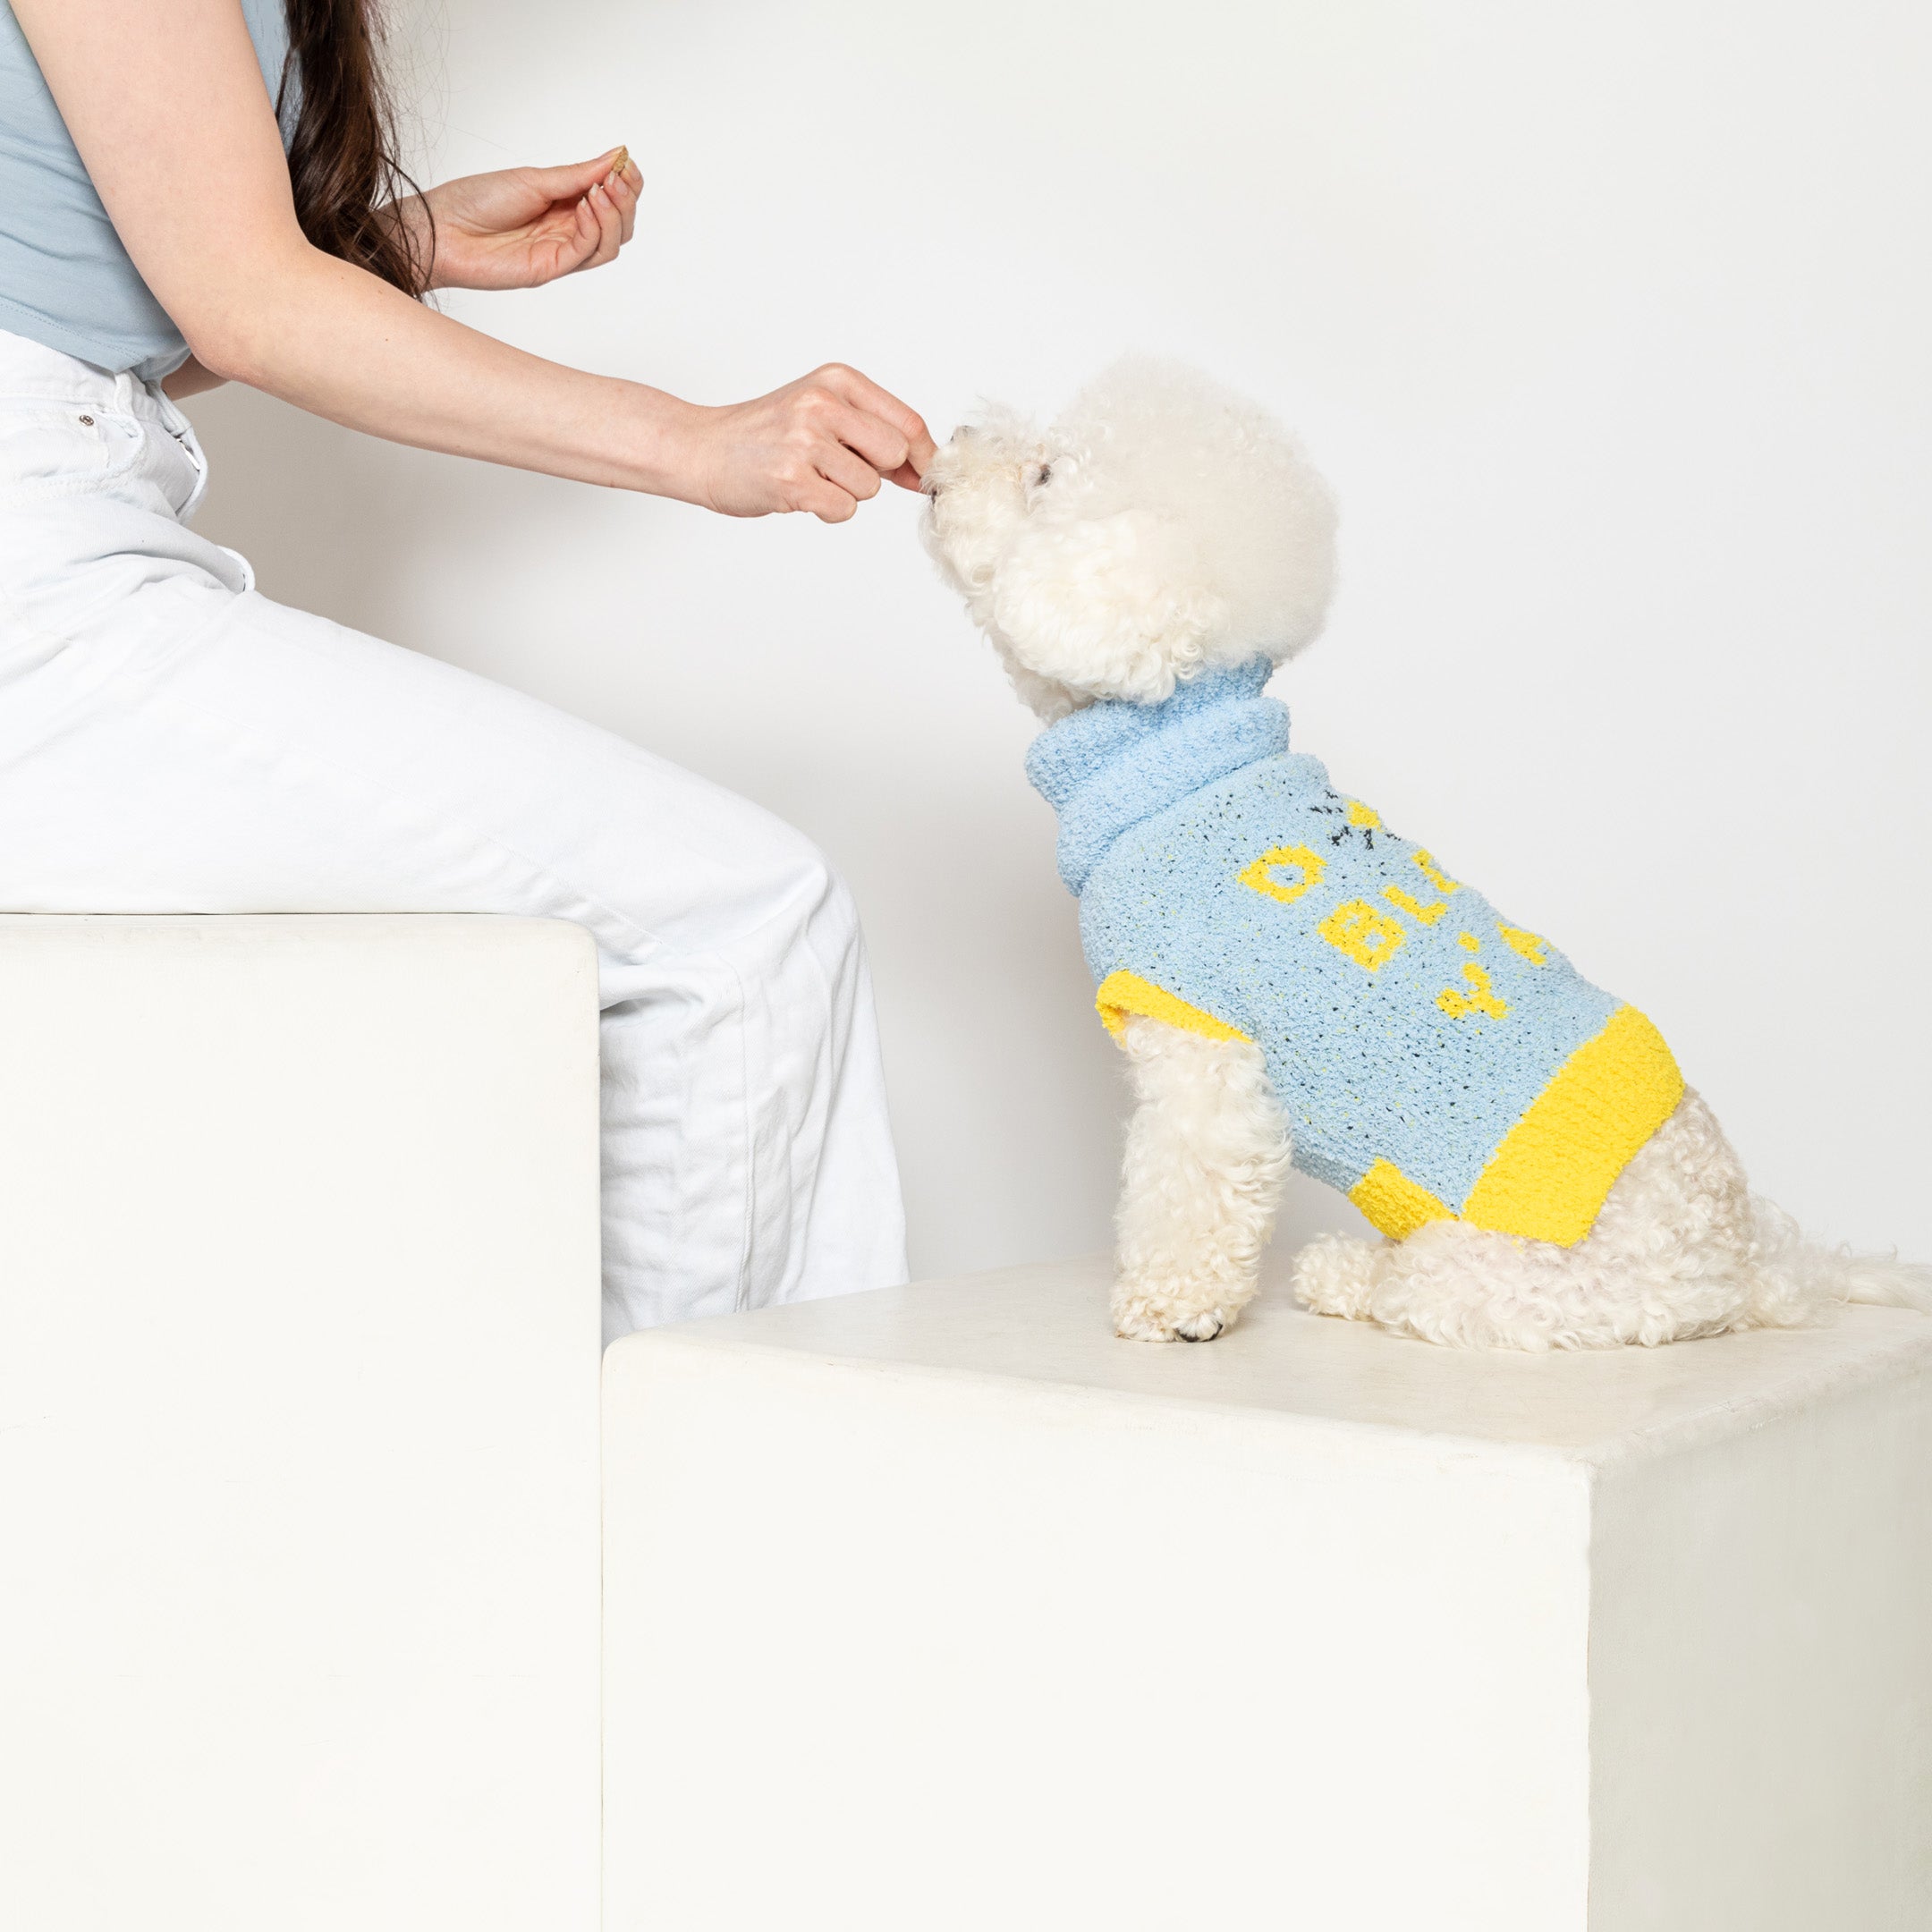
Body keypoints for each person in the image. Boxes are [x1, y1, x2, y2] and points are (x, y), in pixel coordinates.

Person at [0, 0, 928, 1343]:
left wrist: (398, 248)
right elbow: (251, 307)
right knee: (737, 927)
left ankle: (710, 1497)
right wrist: (697, 446)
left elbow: (111, 299)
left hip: (62, 529)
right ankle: (726, 1522)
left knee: (737, 917)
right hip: (31, 566)